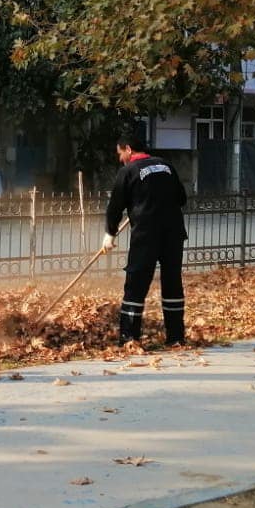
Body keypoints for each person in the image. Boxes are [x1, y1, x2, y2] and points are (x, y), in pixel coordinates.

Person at [99, 128, 189, 345]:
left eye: (120, 153)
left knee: (136, 284)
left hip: (146, 236)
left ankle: (129, 337)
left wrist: (109, 234)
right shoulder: (166, 165)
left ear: (128, 149)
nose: (120, 159)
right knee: (172, 283)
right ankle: (176, 337)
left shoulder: (128, 171)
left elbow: (114, 207)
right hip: (173, 234)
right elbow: (181, 198)